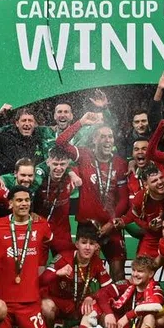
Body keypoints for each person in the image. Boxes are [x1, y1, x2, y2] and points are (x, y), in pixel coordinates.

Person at [55, 103, 130, 281]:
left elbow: (123, 199)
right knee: (84, 274)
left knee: (118, 273)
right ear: (94, 140)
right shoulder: (84, 155)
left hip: (110, 226)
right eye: (103, 136)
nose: (107, 140)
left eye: (110, 137)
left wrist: (111, 223)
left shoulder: (120, 163)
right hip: (87, 226)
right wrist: (80, 122)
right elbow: (60, 143)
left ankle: (117, 300)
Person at [0, 187, 53, 328]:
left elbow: (51, 242)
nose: (24, 204)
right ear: (10, 203)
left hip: (30, 300)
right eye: (19, 200)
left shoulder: (41, 224)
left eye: (27, 200)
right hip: (4, 301)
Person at [39, 223, 113, 328]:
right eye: (84, 242)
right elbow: (41, 281)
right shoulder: (63, 258)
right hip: (59, 303)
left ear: (96, 246)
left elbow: (109, 288)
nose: (87, 247)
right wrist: (57, 273)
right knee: (46, 307)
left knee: (103, 309)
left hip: (80, 305)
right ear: (77, 244)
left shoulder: (96, 262)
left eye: (91, 244)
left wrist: (92, 297)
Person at [93, 255, 164, 328]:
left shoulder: (155, 287)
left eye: (140, 271)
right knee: (98, 308)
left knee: (149, 316)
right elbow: (101, 293)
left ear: (150, 274)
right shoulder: (126, 285)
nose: (135, 274)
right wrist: (109, 314)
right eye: (134, 270)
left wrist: (127, 317)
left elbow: (154, 305)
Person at [32, 148, 79, 256]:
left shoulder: (74, 174)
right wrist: (30, 211)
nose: (58, 168)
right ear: (48, 162)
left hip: (62, 229)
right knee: (37, 263)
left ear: (68, 164)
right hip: (40, 226)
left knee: (65, 262)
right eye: (55, 164)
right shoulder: (39, 176)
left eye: (62, 164)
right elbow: (26, 189)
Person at [0, 108, 44, 174]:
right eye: (24, 120)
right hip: (11, 178)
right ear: (17, 123)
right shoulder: (6, 139)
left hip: (33, 178)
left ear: (35, 124)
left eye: (30, 121)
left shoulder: (41, 141)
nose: (27, 123)